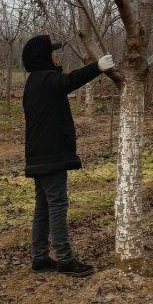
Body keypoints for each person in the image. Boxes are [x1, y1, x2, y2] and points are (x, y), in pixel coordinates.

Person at [21, 34, 115, 277]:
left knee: (43, 207)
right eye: (52, 52)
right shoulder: (47, 79)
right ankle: (65, 258)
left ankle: (40, 257)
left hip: (39, 155)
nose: (55, 55)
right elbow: (69, 81)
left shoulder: (32, 81)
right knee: (57, 205)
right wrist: (97, 67)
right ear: (43, 56)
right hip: (51, 155)